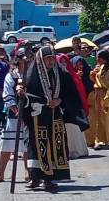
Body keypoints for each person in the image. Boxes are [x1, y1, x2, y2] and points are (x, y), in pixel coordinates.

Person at [20, 46, 88, 191]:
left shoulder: (61, 73)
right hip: (37, 116)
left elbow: (70, 93)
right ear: (41, 60)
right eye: (47, 59)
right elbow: (27, 95)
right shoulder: (32, 74)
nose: (51, 61)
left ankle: (49, 178)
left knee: (54, 145)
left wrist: (59, 100)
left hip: (55, 115)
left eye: (52, 58)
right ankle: (35, 177)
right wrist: (21, 94)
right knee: (35, 146)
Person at [0, 47, 29, 184]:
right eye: (23, 58)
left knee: (27, 145)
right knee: (7, 145)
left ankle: (28, 171)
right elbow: (7, 95)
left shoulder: (33, 74)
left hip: (30, 114)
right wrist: (16, 112)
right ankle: (1, 173)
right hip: (15, 116)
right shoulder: (11, 75)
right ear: (18, 60)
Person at [57, 53, 90, 159]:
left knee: (74, 129)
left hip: (73, 106)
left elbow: (80, 92)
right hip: (62, 106)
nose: (63, 64)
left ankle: (78, 150)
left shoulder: (73, 75)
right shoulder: (57, 75)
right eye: (61, 62)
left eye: (65, 62)